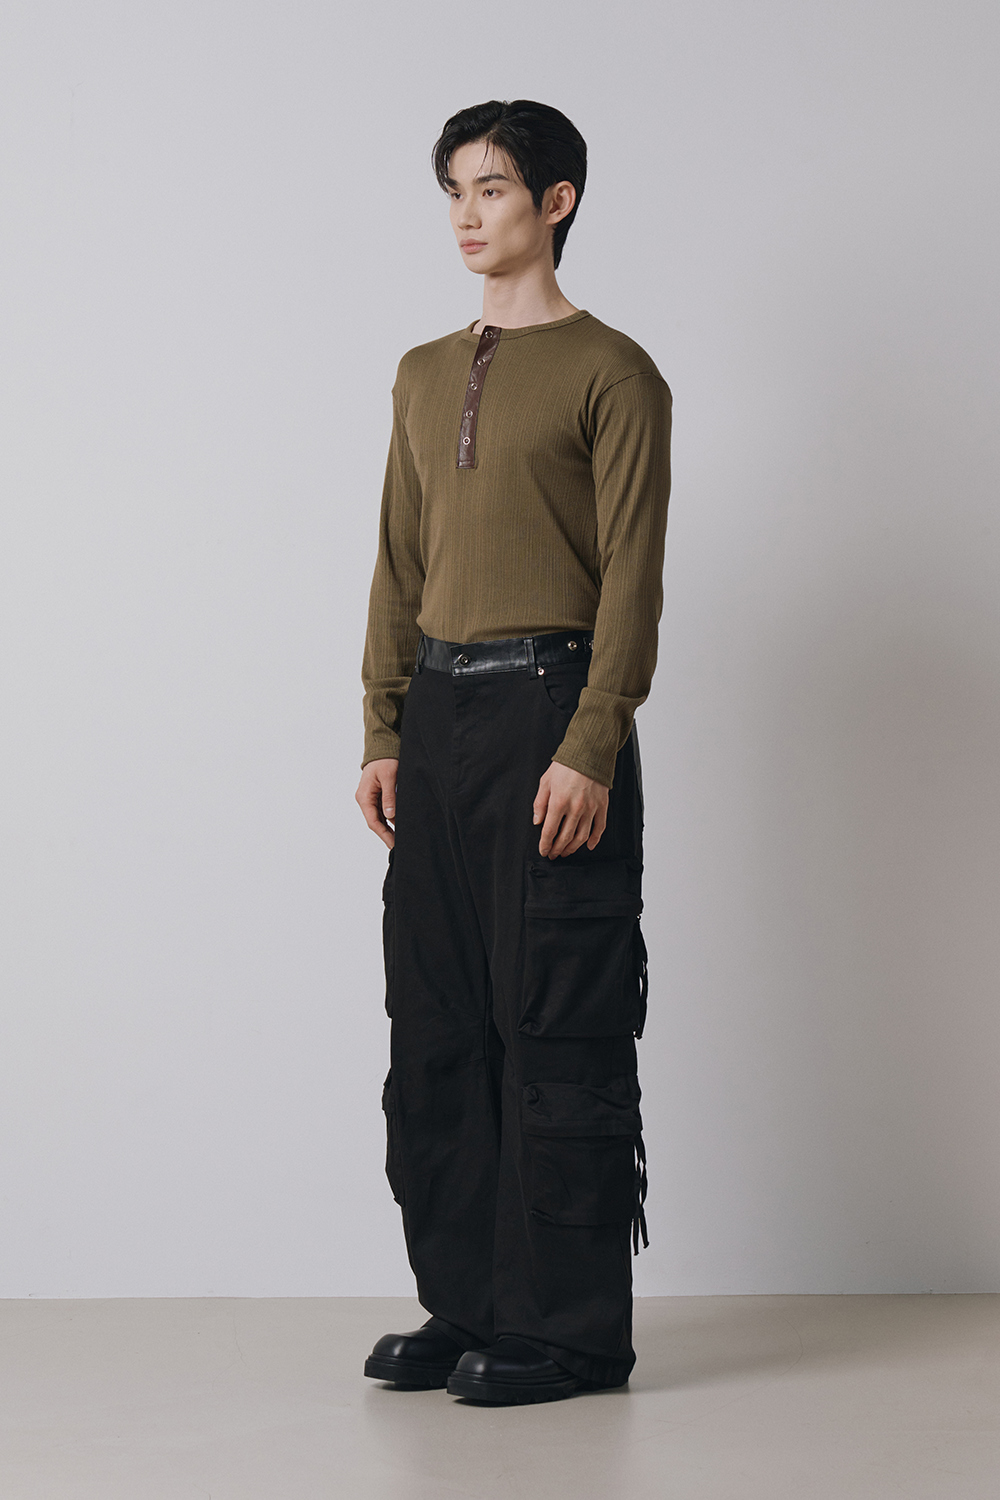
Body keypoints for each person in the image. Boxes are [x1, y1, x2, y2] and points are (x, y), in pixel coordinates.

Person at [355, 98, 671, 1405]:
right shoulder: (423, 372)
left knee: (555, 1013)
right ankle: (471, 1303)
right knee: (436, 1020)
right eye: (453, 190)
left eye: (491, 188)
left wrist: (592, 742)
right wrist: (384, 726)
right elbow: (399, 558)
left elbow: (633, 578)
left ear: (557, 201)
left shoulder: (614, 373)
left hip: (551, 707)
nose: (467, 214)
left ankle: (572, 1331)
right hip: (438, 719)